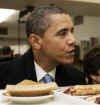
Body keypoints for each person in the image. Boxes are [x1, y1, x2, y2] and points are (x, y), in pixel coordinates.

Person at [0, 4, 85, 89]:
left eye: (72, 32)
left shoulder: (77, 78)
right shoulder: (3, 74)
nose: (73, 40)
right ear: (36, 41)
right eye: (63, 33)